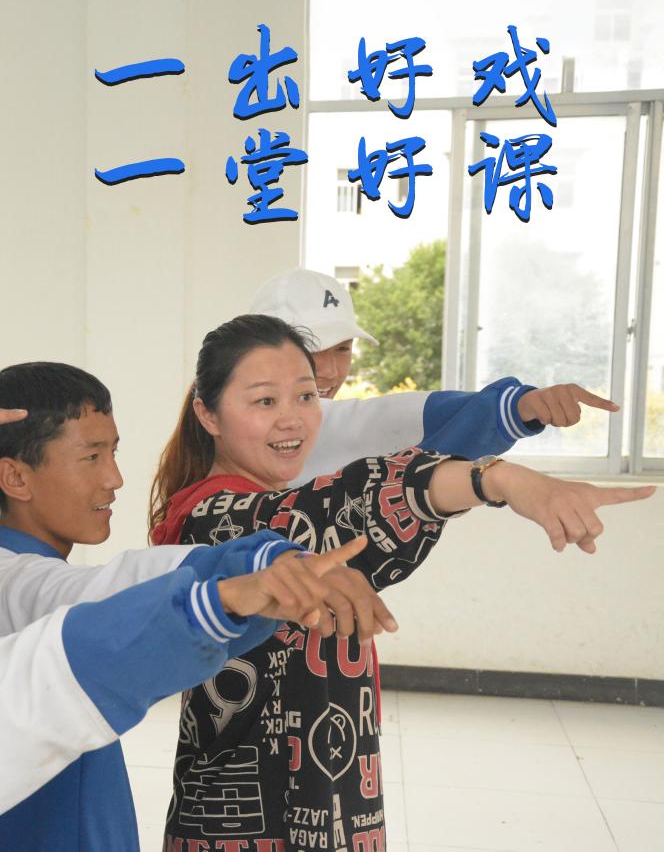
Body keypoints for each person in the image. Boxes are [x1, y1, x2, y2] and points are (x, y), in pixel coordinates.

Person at [150, 314, 654, 852]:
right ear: (208, 414)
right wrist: (497, 479)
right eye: (265, 401)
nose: (293, 419)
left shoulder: (281, 504)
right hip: (245, 828)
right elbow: (341, 503)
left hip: (330, 802)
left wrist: (512, 422)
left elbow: (354, 492)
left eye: (306, 396)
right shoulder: (211, 520)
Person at [0, 370, 392, 849]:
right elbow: (108, 594)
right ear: (15, 476)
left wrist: (264, 564)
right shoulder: (16, 582)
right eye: (91, 456)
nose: (114, 478)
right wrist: (238, 582)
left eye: (113, 452)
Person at [250, 267, 621, 483]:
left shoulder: (312, 429)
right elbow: (374, 423)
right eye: (311, 348)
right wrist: (513, 408)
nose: (330, 370)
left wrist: (517, 407)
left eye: (343, 349)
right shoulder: (249, 426)